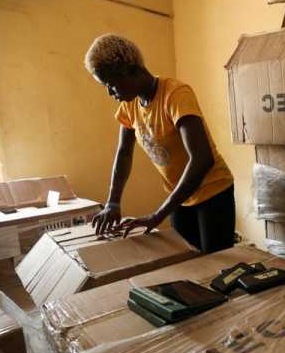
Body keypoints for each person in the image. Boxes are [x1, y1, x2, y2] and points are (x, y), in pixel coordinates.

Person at [84, 34, 235, 253]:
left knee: (215, 265)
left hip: (212, 192)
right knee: (185, 261)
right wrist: (113, 203)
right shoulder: (130, 105)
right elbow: (124, 153)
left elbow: (202, 159)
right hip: (180, 197)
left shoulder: (175, 94)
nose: (109, 93)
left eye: (110, 84)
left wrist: (158, 215)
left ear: (127, 71)